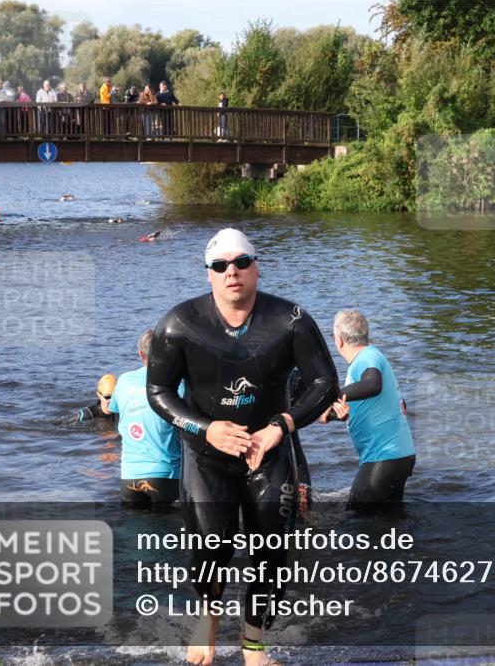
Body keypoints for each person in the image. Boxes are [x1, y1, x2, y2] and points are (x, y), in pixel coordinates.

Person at [147, 228, 338, 666]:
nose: (231, 272)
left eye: (241, 263)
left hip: (266, 449)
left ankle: (253, 644)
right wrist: (205, 429)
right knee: (210, 544)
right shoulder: (179, 324)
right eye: (220, 266)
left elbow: (325, 383)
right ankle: (209, 617)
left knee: (272, 549)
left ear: (256, 267)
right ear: (209, 275)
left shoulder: (291, 320)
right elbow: (158, 392)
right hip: (207, 453)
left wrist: (281, 426)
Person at [320, 310, 415, 505]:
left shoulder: (367, 357)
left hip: (384, 456)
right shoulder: (365, 362)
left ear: (338, 340)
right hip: (397, 455)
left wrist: (330, 396)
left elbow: (373, 385)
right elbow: (360, 402)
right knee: (390, 522)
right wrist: (331, 414)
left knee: (360, 522)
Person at [110, 330, 182, 506]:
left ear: (140, 353)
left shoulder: (123, 381)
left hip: (129, 477)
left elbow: (115, 412)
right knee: (167, 530)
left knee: (133, 531)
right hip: (164, 475)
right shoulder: (175, 383)